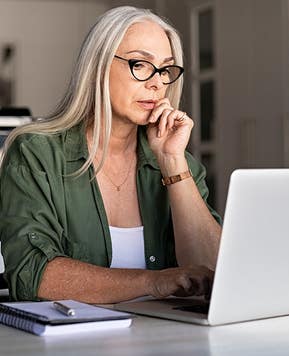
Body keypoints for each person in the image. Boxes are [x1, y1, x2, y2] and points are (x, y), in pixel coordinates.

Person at [0, 6, 222, 303]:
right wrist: (153, 282)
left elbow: (215, 272)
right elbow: (33, 275)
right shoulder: (35, 154)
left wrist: (172, 163)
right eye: (140, 64)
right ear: (98, 66)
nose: (157, 83)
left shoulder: (179, 161)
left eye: (166, 69)